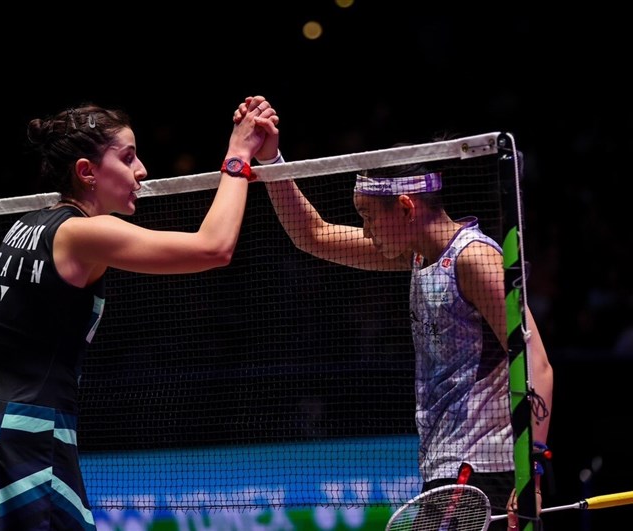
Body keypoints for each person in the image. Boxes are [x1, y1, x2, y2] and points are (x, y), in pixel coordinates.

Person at [0, 95, 279, 530]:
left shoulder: (24, 227)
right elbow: (213, 248)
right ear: (87, 172)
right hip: (25, 439)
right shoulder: (84, 233)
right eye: (127, 158)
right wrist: (238, 156)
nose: (141, 170)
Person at [234, 101, 553, 531]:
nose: (364, 229)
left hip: (483, 469)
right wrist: (271, 159)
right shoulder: (418, 254)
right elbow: (313, 234)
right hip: (445, 471)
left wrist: (532, 467)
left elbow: (537, 362)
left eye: (368, 216)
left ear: (406, 208)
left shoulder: (474, 261)